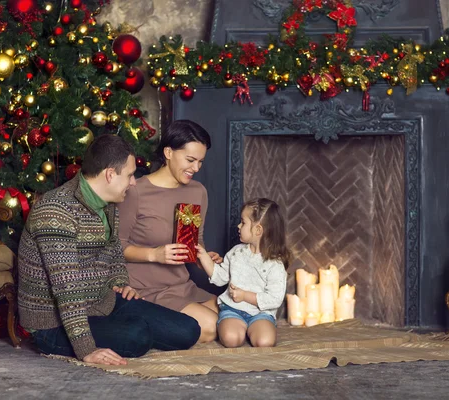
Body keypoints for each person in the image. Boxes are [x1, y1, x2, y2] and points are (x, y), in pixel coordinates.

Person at [17, 134, 201, 365]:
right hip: (53, 323)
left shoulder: (110, 203)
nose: (134, 182)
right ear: (110, 174)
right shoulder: (56, 211)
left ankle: (124, 328)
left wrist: (120, 281)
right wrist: (86, 350)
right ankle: (120, 332)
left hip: (102, 302)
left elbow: (114, 249)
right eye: (130, 175)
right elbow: (67, 290)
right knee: (137, 336)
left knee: (188, 330)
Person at [117, 120, 221, 343]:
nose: (197, 168)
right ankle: (145, 322)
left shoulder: (198, 191)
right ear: (168, 152)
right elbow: (117, 246)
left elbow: (196, 242)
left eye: (201, 162)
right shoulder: (136, 192)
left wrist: (204, 258)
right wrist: (154, 254)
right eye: (191, 160)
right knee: (211, 328)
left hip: (183, 286)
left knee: (231, 319)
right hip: (147, 289)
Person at [196, 198, 290, 348]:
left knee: (264, 342)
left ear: (258, 230)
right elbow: (220, 277)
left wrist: (245, 296)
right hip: (233, 310)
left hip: (261, 314)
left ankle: (254, 328)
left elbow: (274, 299)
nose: (238, 226)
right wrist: (203, 256)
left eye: (243, 222)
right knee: (231, 339)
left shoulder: (275, 264)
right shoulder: (236, 253)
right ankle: (239, 328)